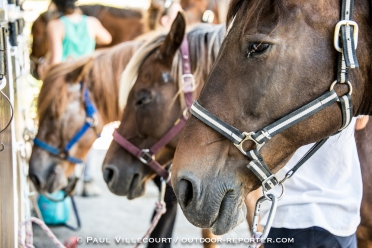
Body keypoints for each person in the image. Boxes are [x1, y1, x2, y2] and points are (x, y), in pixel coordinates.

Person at [259, 118, 362, 248]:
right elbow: (361, 122)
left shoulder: (271, 97)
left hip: (285, 214)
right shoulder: (348, 97)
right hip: (337, 217)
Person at [46, 0, 112, 196]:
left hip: (68, 86)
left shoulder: (56, 25)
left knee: (67, 131)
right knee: (89, 129)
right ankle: (88, 179)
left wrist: (45, 66)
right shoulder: (91, 22)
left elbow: (56, 62)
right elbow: (106, 38)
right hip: (89, 83)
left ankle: (68, 177)